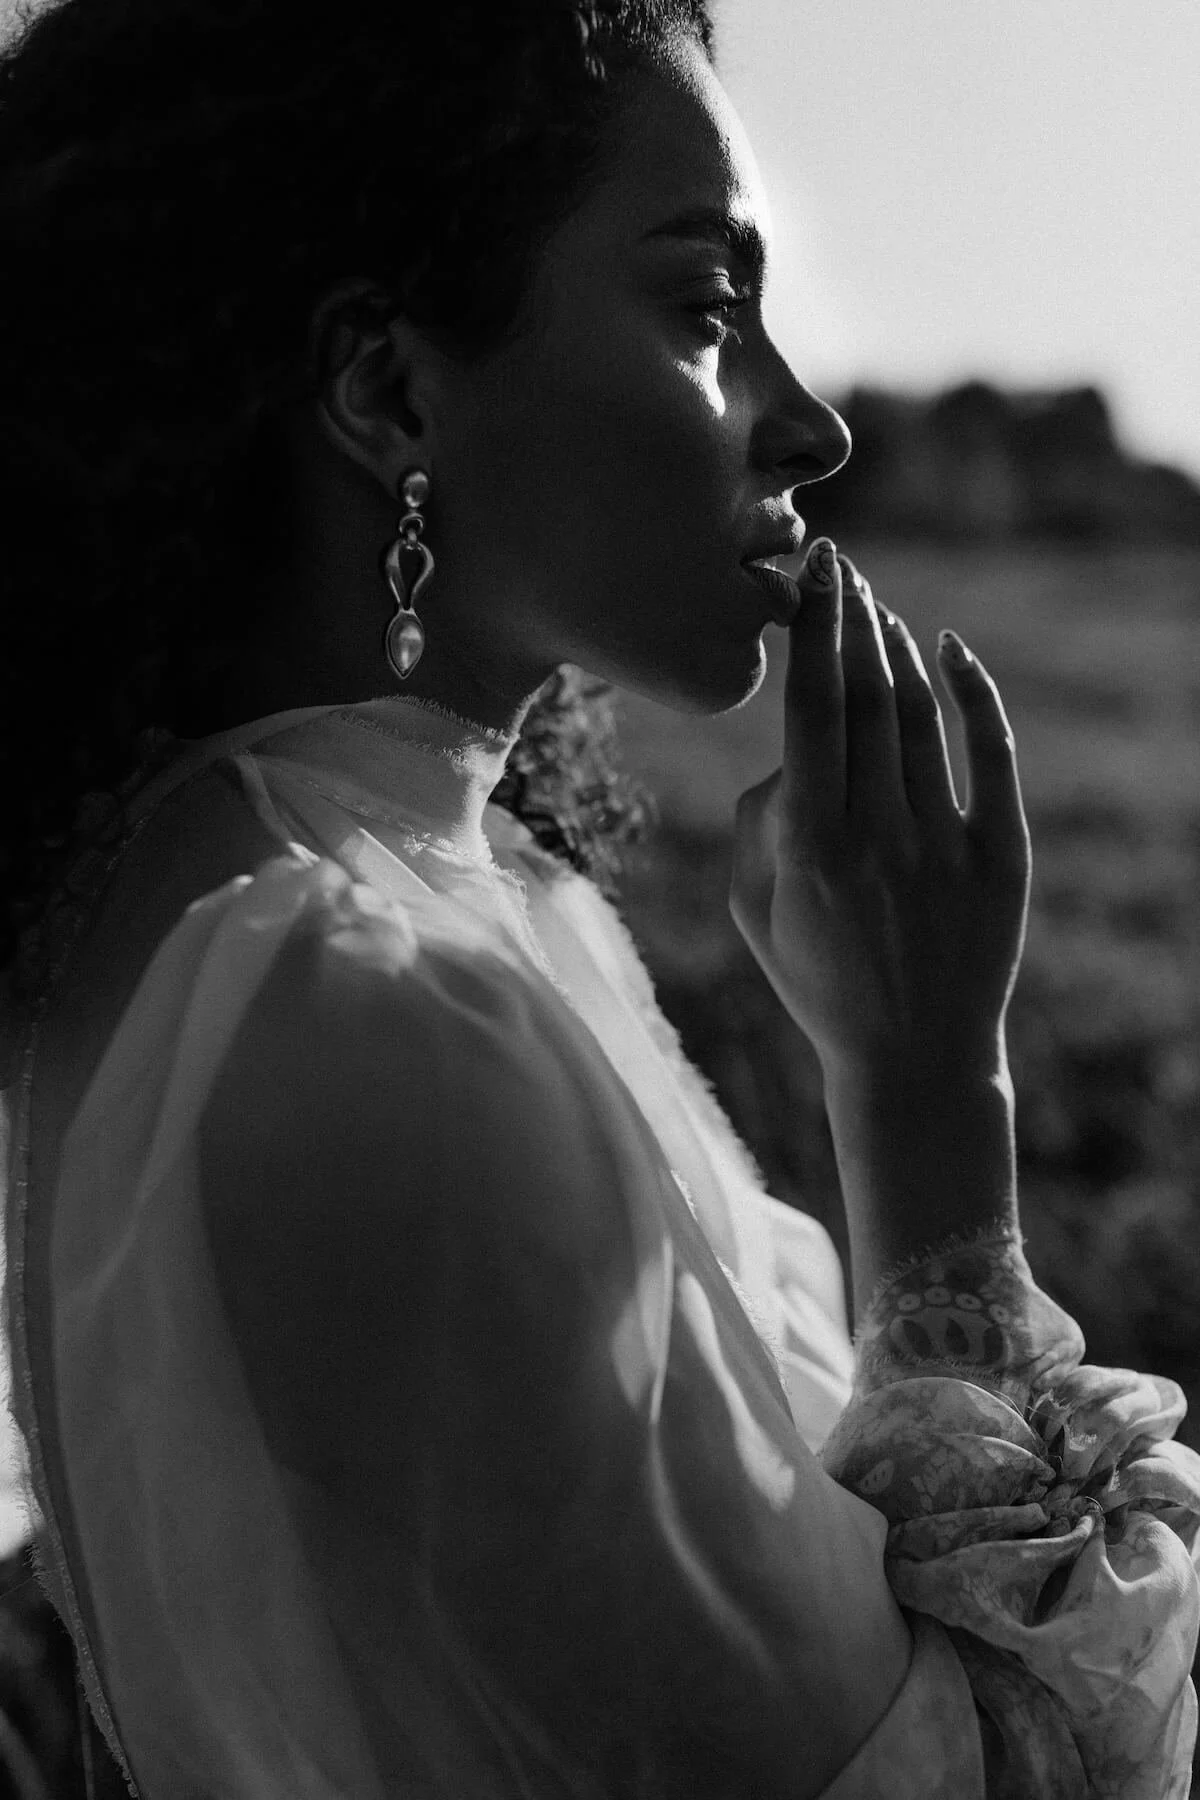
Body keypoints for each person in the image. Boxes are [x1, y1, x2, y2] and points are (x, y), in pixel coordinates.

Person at [0, 1, 1197, 1795]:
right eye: (709, 313)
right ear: (391, 390)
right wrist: (934, 1101)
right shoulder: (366, 1008)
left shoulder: (269, 901)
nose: (808, 426)